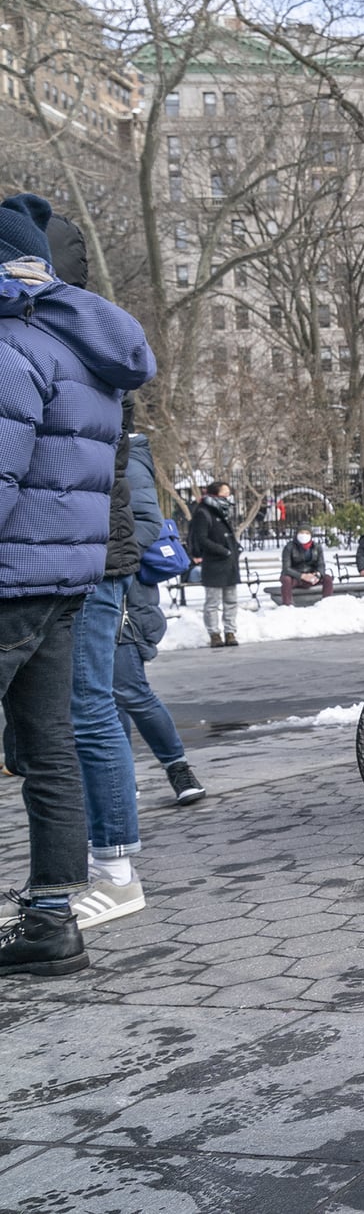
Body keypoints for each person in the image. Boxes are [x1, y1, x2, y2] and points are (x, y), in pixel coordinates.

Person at [0, 191, 156, 974]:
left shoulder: (9, 347)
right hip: (64, 578)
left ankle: (51, 917)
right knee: (50, 746)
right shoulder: (77, 346)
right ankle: (51, 916)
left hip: (9, 578)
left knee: (56, 742)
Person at [115, 427, 204, 804]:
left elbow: (149, 525)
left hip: (121, 597)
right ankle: (118, 779)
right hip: (90, 588)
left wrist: (89, 547)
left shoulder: (129, 456)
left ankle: (178, 768)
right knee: (104, 698)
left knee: (129, 690)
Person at [186, 482, 241, 647]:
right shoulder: (204, 512)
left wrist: (234, 550)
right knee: (213, 602)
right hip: (215, 563)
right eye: (225, 492)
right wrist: (222, 550)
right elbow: (201, 539)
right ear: (215, 494)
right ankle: (214, 633)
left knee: (231, 600)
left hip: (229, 563)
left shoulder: (222, 510)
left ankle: (230, 632)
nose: (228, 495)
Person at [280, 527, 334, 605]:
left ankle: (327, 603)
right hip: (295, 577)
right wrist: (302, 576)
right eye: (301, 532)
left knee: (327, 578)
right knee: (286, 579)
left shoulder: (317, 547)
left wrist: (317, 574)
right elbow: (286, 568)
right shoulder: (289, 547)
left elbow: (321, 565)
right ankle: (287, 604)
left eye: (307, 533)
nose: (304, 535)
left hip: (312, 576)